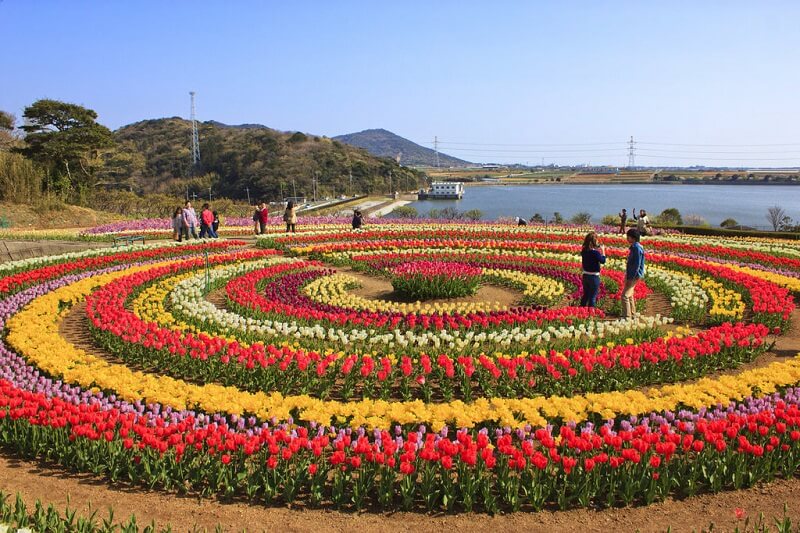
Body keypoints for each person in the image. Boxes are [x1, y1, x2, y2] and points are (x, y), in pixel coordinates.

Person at [622, 228, 646, 319]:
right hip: (633, 274)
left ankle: (627, 317)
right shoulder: (635, 247)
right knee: (630, 294)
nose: (627, 238)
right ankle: (633, 314)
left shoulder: (636, 248)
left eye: (628, 236)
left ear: (633, 238)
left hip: (633, 275)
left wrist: (630, 278)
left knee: (624, 296)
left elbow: (637, 264)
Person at [580, 231, 606, 308]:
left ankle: (581, 310)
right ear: (594, 242)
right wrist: (603, 251)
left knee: (586, 295)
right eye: (597, 240)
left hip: (585, 275)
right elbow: (603, 261)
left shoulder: (584, 251)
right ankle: (590, 313)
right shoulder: (595, 253)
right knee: (592, 297)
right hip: (594, 277)